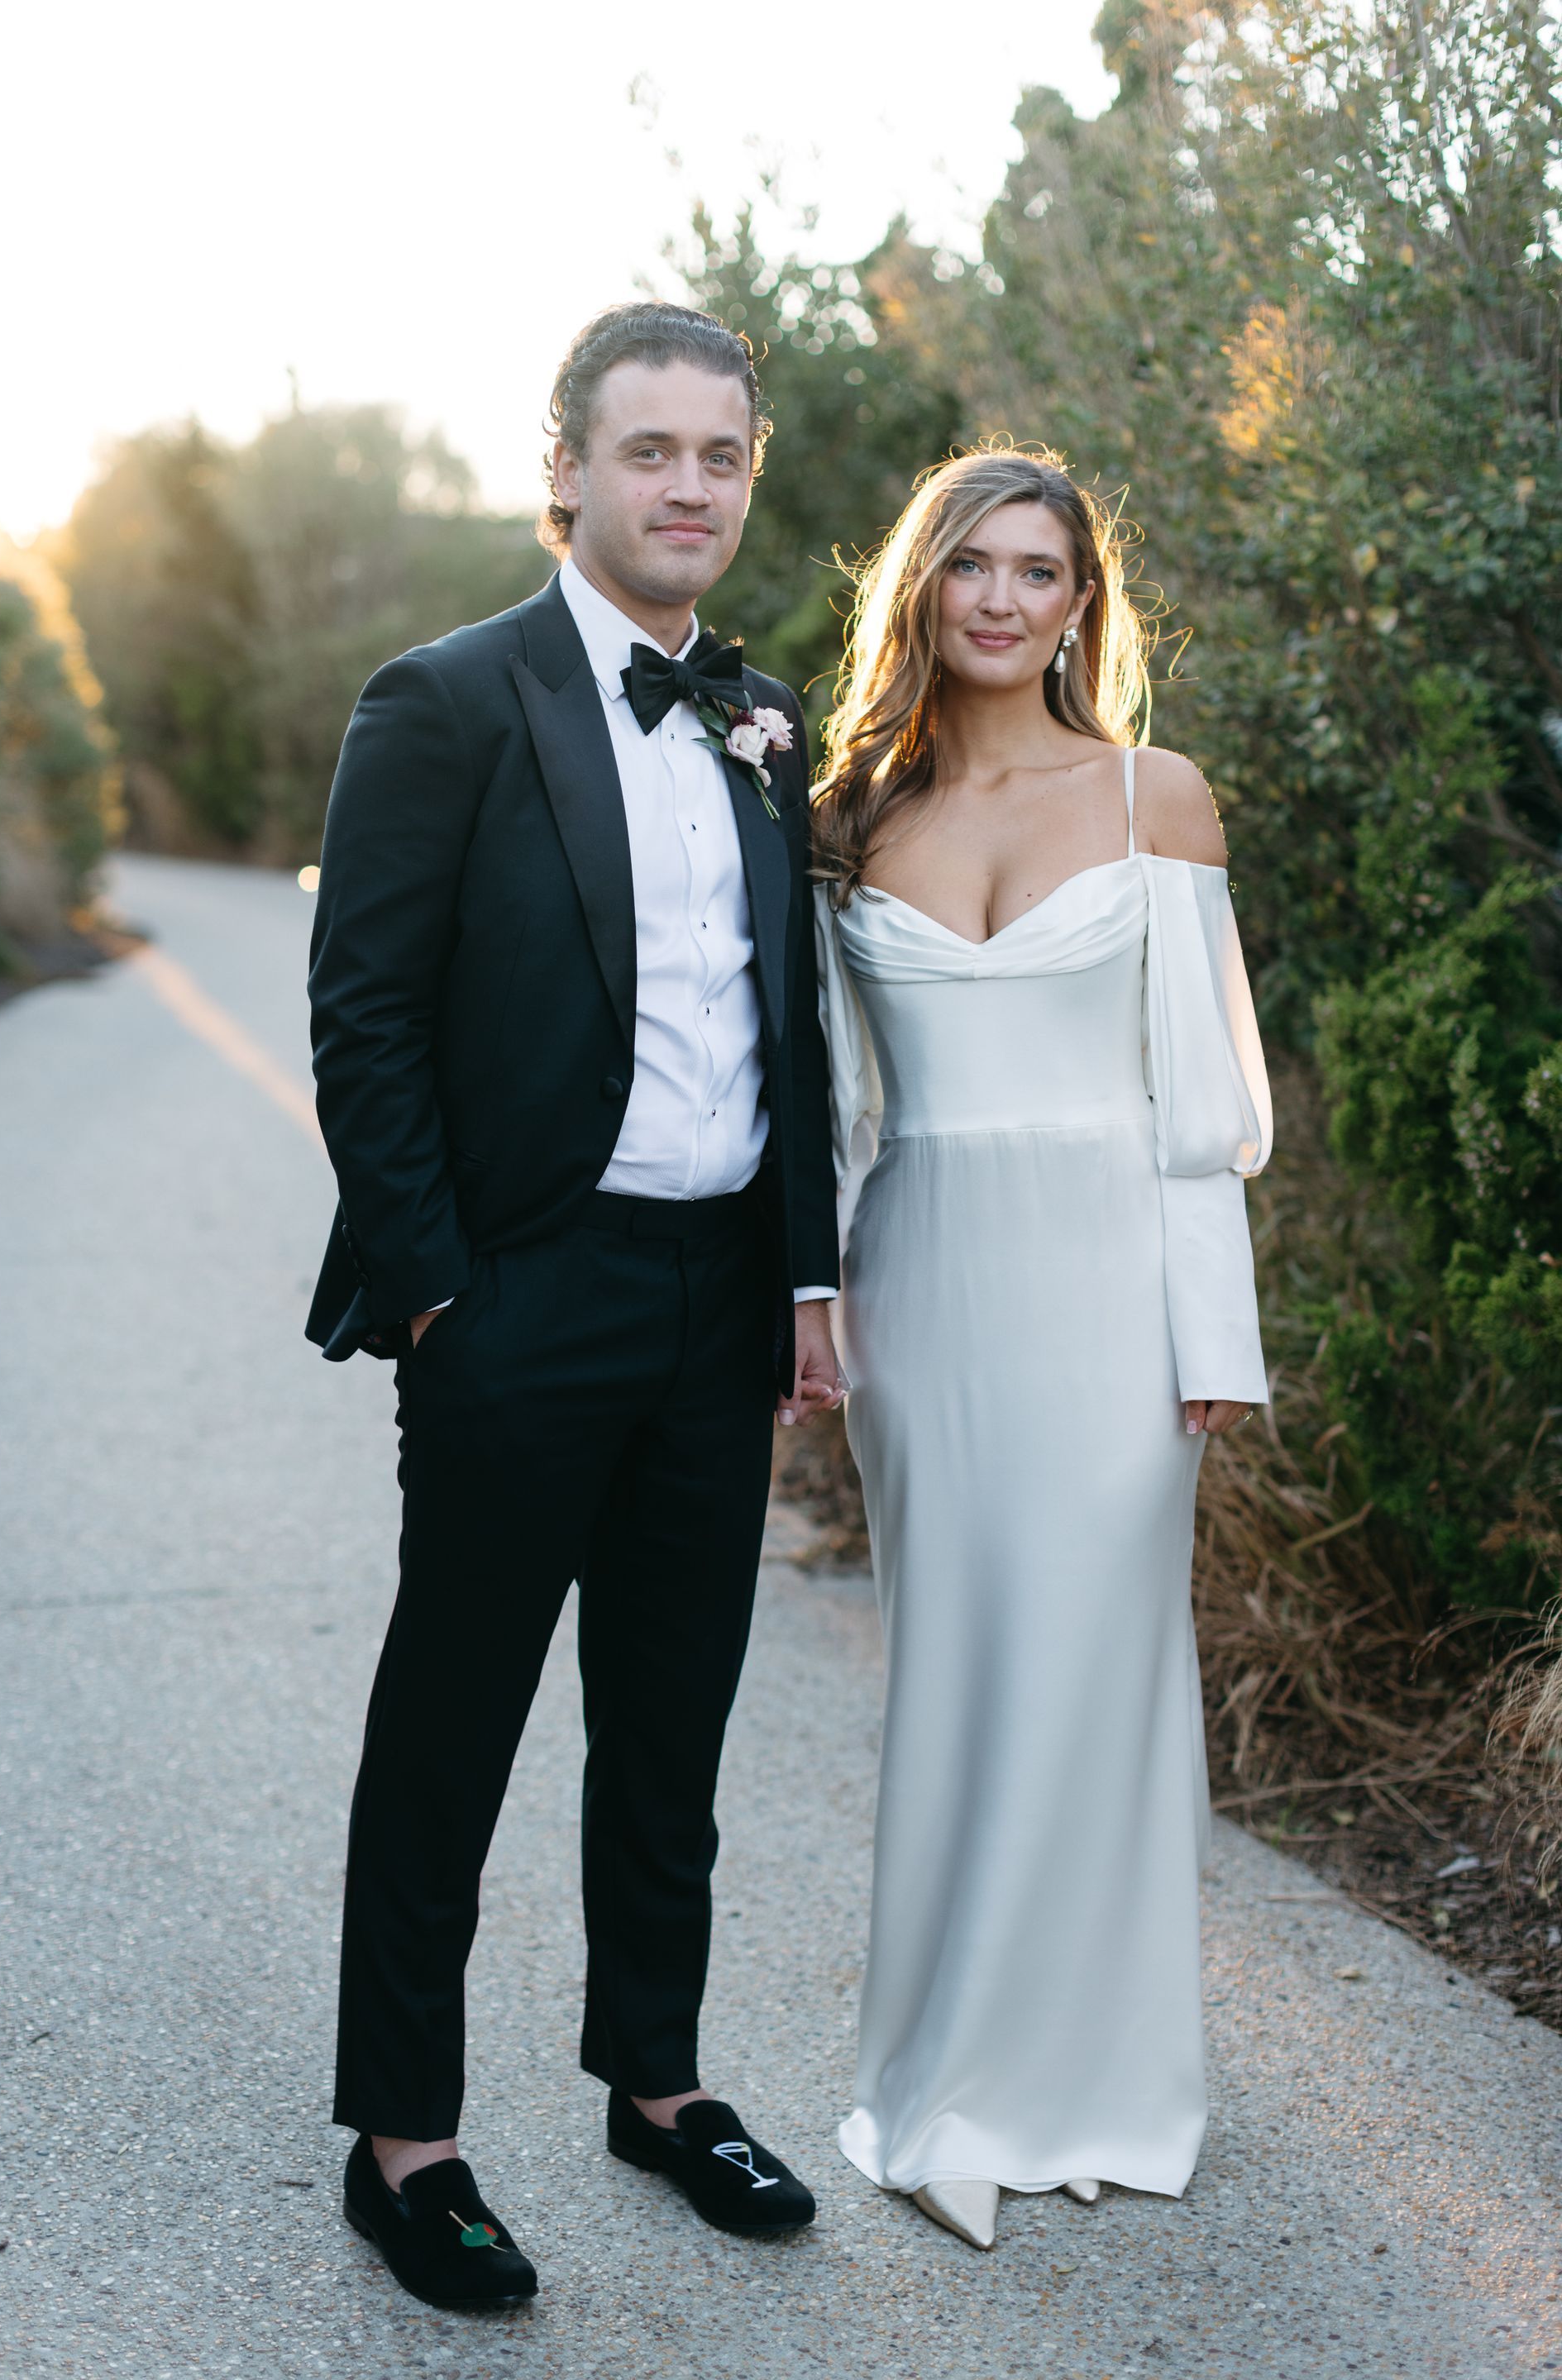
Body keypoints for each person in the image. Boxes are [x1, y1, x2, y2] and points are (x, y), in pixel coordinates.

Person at [305, 301, 843, 2309]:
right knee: (453, 1722)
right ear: (570, 470)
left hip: (717, 1303)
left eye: (719, 455)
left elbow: (778, 1023)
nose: (686, 486)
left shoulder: (765, 717)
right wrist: (443, 1287)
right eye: (649, 452)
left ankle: (657, 2083)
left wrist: (798, 1275)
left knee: (672, 1724)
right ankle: (406, 2138)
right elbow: (361, 1016)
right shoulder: (443, 700)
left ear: (747, 477)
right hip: (520, 1297)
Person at [812, 446, 1272, 2251]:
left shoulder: (1160, 800)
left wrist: (1214, 1330)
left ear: (1084, 602)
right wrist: (816, 1313)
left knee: (1102, 1670)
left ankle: (1098, 2083)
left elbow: (1199, 1103)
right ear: (921, 592)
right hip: (927, 1291)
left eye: (1039, 570)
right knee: (961, 1672)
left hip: (1113, 1292)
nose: (1003, 598)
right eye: (970, 567)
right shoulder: (850, 815)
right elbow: (840, 1114)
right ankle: (945, 2087)